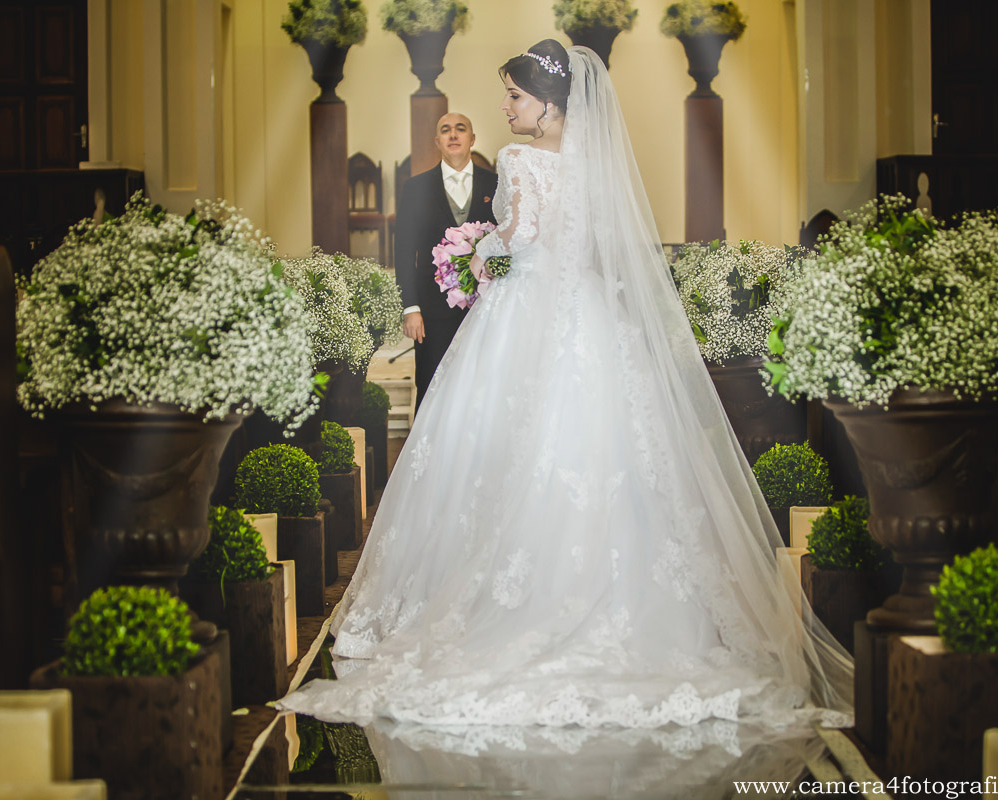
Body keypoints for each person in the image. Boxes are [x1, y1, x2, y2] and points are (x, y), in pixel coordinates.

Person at [280, 40, 853, 729]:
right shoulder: (594, 163)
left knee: (503, 445)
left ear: (548, 105)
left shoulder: (517, 160)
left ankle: (512, 600)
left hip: (523, 312)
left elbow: (518, 240)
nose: (506, 107)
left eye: (514, 96)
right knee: (609, 449)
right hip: (589, 313)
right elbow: (591, 249)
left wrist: (478, 257)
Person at [394, 112, 498, 411]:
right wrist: (410, 308)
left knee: (482, 385)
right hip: (433, 309)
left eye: (460, 129)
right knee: (431, 385)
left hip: (485, 305)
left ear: (472, 139)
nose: (453, 135)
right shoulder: (415, 188)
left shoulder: (497, 184)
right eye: (446, 130)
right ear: (437, 141)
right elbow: (404, 251)